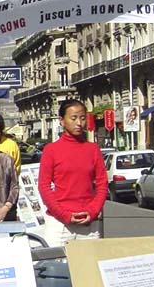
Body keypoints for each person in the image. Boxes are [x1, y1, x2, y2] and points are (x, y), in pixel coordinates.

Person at [38, 99, 107, 247]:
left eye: (82, 118)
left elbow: (102, 184)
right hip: (60, 224)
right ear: (62, 120)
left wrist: (93, 211)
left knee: (90, 261)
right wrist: (63, 215)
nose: (79, 123)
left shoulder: (93, 149)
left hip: (89, 224)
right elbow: (44, 186)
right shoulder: (51, 150)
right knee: (57, 261)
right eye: (73, 118)